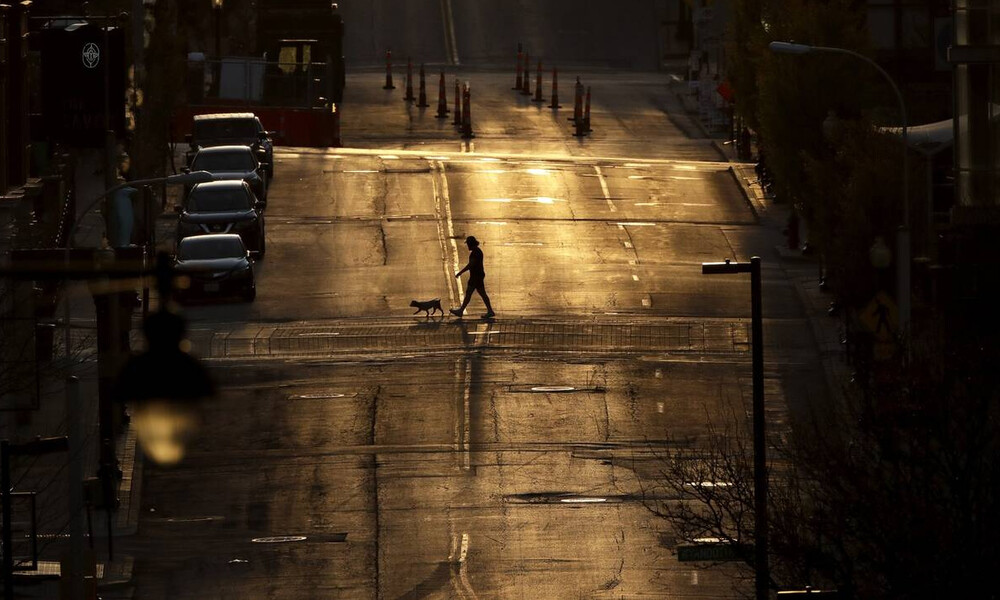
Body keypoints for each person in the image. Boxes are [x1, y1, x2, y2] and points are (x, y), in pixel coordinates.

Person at [450, 236, 495, 318]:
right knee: (481, 294)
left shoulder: (475, 253)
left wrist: (460, 272)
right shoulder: (477, 251)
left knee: (470, 293)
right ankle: (490, 311)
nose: (467, 246)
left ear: (471, 244)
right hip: (478, 275)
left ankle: (461, 311)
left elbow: (471, 265)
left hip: (475, 276)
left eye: (468, 244)